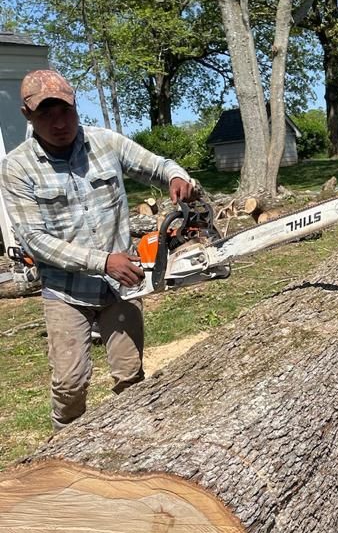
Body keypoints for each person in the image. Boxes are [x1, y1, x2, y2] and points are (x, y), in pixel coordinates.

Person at [0, 69, 196, 432]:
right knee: (70, 383)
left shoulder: (105, 143)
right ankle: (63, 442)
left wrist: (176, 176)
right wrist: (103, 261)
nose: (60, 122)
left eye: (66, 111)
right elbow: (34, 239)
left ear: (76, 107)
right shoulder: (17, 168)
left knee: (129, 375)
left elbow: (157, 165)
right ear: (28, 115)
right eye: (47, 114)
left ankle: (133, 440)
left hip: (120, 286)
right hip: (65, 292)